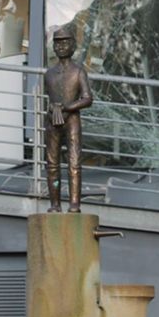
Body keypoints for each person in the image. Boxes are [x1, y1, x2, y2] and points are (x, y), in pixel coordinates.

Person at [44, 24, 93, 212]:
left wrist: (68, 107)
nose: (61, 47)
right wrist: (52, 109)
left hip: (72, 121)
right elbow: (47, 97)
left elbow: (87, 98)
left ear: (73, 46)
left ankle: (74, 204)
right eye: (57, 43)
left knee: (74, 163)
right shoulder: (49, 74)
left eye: (65, 43)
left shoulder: (78, 72)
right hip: (52, 121)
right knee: (52, 165)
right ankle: (55, 204)